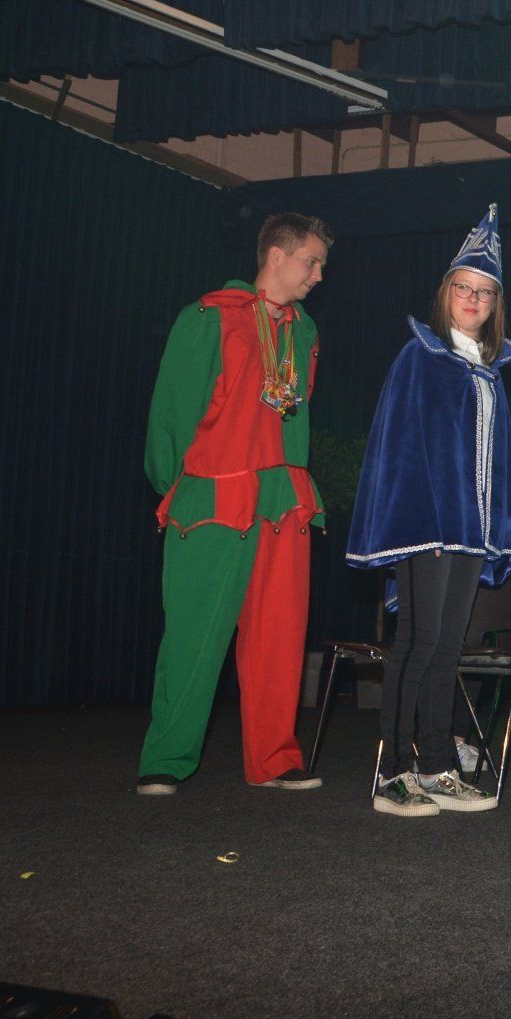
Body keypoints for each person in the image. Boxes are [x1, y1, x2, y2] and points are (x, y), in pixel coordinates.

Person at [137, 213, 333, 795]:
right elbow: (172, 415)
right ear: (276, 256)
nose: (318, 275)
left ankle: (275, 759)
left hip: (282, 503)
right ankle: (165, 760)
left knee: (280, 637)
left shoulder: (304, 332)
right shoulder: (208, 318)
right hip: (213, 498)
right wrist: (183, 484)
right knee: (194, 635)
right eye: (311, 262)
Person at [347, 205, 511, 817]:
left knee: (448, 647)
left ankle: (436, 764)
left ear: (495, 303)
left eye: (484, 292)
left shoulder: (489, 371)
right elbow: (401, 448)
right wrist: (420, 525)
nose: (473, 300)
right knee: (418, 643)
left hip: (470, 532)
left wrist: (497, 526)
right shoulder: (420, 356)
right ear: (445, 294)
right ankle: (395, 771)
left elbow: (494, 460)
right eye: (463, 289)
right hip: (429, 528)